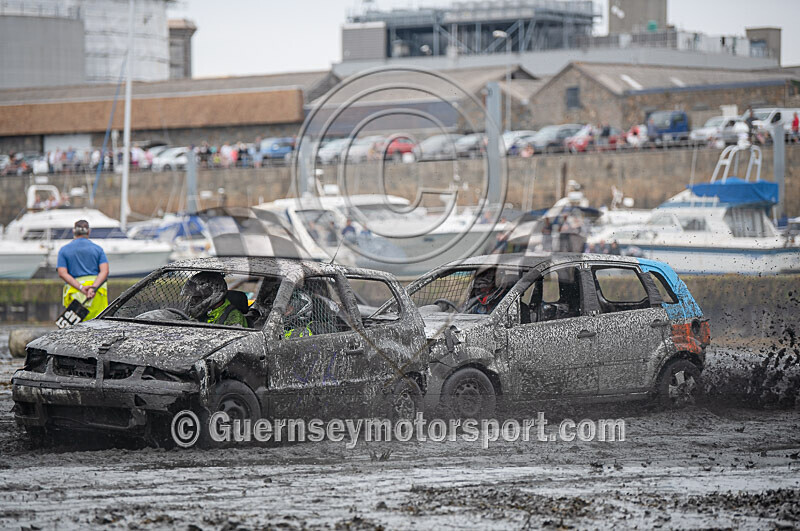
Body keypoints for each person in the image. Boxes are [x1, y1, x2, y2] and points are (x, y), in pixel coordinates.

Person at [56, 220, 110, 321]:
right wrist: (93, 288)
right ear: (88, 232)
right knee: (100, 325)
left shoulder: (64, 250)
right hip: (97, 293)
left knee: (77, 329)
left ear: (73, 232)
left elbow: (62, 273)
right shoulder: (98, 249)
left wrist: (81, 288)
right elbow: (104, 271)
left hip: (76, 292)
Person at [180, 272, 248, 327]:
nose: (192, 300)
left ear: (215, 293)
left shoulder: (234, 317)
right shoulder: (203, 313)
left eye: (198, 297)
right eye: (193, 296)